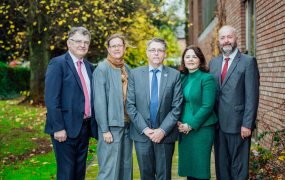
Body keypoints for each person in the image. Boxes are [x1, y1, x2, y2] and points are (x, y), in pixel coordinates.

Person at [44, 27, 98, 180]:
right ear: (69, 43)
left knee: (79, 172)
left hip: (85, 127)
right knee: (66, 174)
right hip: (65, 129)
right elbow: (51, 99)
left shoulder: (89, 66)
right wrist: (58, 127)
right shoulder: (58, 63)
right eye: (78, 41)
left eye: (86, 42)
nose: (83, 45)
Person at [126, 37, 183, 180]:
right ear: (147, 53)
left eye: (160, 50)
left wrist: (162, 130)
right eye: (153, 50)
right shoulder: (135, 74)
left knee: (164, 175)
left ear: (165, 54)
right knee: (146, 175)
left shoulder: (174, 75)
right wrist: (145, 129)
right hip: (142, 134)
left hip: (165, 134)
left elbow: (176, 107)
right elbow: (130, 105)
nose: (156, 53)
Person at [208, 25, 260, 180]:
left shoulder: (248, 61)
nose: (226, 41)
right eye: (222, 38)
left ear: (236, 39)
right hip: (218, 126)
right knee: (221, 168)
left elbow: (252, 95)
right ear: (219, 41)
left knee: (238, 168)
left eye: (229, 37)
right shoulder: (213, 63)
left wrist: (247, 124)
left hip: (239, 126)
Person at [93, 34, 133, 180]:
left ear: (124, 47)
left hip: (127, 125)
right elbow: (99, 102)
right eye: (113, 46)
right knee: (109, 170)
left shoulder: (127, 68)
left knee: (125, 168)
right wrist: (105, 130)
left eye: (119, 45)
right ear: (108, 49)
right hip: (110, 128)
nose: (117, 48)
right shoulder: (102, 69)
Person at [177, 45, 218, 180]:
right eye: (187, 57)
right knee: (189, 168)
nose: (191, 59)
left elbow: (207, 106)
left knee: (200, 169)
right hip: (183, 129)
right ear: (183, 60)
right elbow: (178, 102)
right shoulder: (182, 78)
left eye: (194, 57)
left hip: (201, 130)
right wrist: (179, 122)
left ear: (200, 60)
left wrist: (191, 125)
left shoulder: (207, 79)